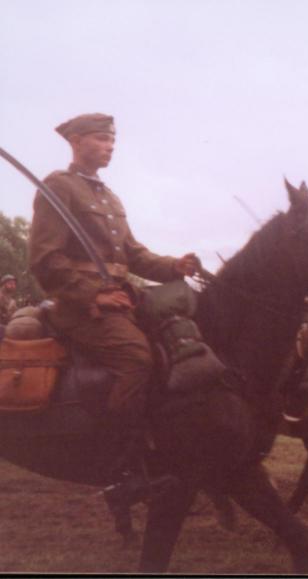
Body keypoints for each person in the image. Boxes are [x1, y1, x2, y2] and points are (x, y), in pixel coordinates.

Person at [28, 113, 199, 508]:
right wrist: (92, 297)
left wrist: (173, 266)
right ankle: (121, 466)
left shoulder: (108, 195)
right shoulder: (59, 187)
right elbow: (44, 257)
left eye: (112, 140)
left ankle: (161, 446)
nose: (110, 146)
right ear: (75, 141)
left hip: (120, 299)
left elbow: (132, 255)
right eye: (102, 139)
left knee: (176, 345)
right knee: (136, 358)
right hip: (79, 307)